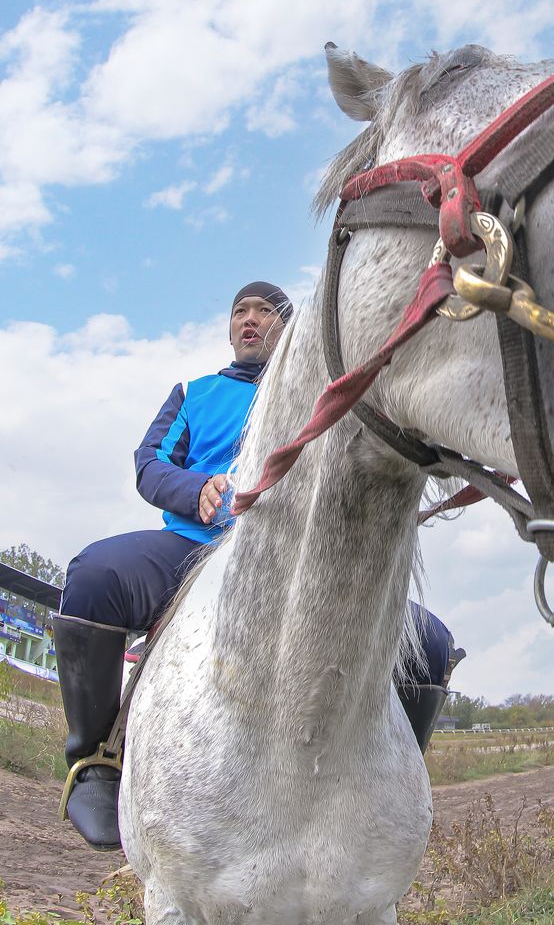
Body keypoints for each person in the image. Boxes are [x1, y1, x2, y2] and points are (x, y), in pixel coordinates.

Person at [52, 282, 458, 851]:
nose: (250, 319)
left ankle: (386, 786)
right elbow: (148, 464)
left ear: (287, 329)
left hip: (294, 561)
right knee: (94, 576)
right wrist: (196, 490)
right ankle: (93, 763)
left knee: (432, 643)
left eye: (265, 311)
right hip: (190, 547)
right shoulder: (193, 393)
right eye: (241, 311)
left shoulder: (327, 397)